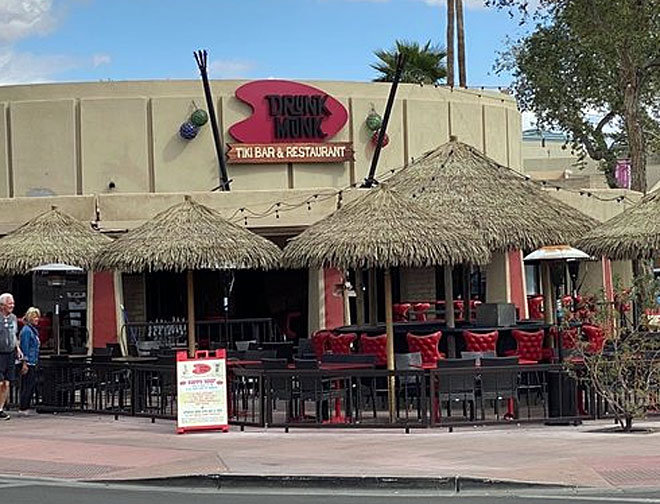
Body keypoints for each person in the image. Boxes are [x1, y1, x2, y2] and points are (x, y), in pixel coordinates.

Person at [0, 293, 22, 420]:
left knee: (6, 383)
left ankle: (0, 408)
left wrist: (18, 349)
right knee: (0, 382)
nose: (12, 305)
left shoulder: (13, 318)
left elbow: (14, 335)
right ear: (2, 305)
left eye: (13, 303)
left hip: (10, 353)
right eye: (9, 303)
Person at [18, 307, 41, 415]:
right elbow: (24, 347)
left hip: (33, 360)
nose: (37, 319)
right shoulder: (27, 331)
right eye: (35, 317)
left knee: (30, 385)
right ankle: (23, 407)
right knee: (27, 385)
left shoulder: (33, 330)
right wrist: (24, 363)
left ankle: (25, 406)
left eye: (37, 317)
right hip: (28, 362)